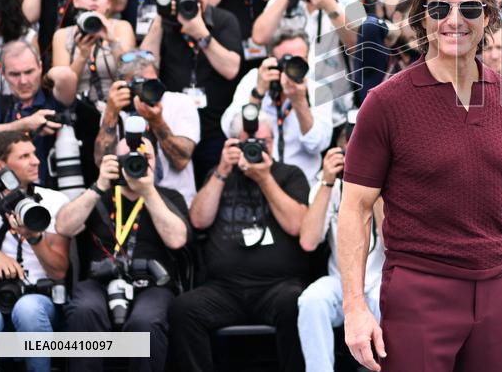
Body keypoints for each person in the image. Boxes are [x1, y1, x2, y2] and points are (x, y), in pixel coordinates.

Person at [337, 0, 502, 372]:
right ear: (422, 18)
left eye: (469, 8)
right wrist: (354, 306)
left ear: (489, 17)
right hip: (419, 289)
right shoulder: (385, 103)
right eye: (439, 8)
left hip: (500, 289)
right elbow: (355, 208)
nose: (454, 19)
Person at [170, 110, 309, 372]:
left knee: (297, 304)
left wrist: (264, 178)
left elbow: (297, 226)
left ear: (273, 142)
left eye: (263, 142)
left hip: (278, 287)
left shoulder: (289, 174)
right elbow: (198, 220)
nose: (256, 148)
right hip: (225, 289)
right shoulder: (220, 174)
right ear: (234, 143)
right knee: (183, 309)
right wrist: (222, 171)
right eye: (249, 143)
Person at [57, 135, 189, 372]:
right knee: (85, 310)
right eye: (128, 158)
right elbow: (64, 227)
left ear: (156, 162)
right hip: (100, 281)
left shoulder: (168, 197)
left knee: (145, 322)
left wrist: (148, 192)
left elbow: (178, 240)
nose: (136, 163)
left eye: (145, 157)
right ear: (115, 161)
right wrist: (98, 186)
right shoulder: (101, 195)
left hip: (153, 282)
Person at [140, 0, 242, 182]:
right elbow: (145, 66)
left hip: (215, 125)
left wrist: (202, 35)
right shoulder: (165, 24)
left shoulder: (224, 20)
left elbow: (231, 69)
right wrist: (161, 16)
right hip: (175, 127)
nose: (194, 0)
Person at [297, 145, 385, 372]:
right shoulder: (328, 186)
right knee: (311, 300)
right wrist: (327, 182)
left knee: (389, 302)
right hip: (341, 280)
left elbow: (391, 241)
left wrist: (372, 187)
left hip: (381, 280)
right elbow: (308, 241)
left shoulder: (390, 183)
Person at [0, 131, 69, 372]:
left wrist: (35, 237)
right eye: (25, 156)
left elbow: (59, 270)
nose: (36, 161)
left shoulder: (54, 201)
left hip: (37, 295)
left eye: (35, 154)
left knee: (29, 310)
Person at [220, 29, 333, 189]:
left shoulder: (320, 89)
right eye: (286, 61)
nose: (291, 68)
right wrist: (258, 93)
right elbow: (230, 130)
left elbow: (317, 144)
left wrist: (299, 101)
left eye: (298, 61)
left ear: (307, 60)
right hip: (256, 180)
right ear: (272, 60)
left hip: (303, 184)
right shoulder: (255, 78)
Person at [93, 50, 200, 205]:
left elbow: (181, 160)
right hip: (127, 201)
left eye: (151, 82)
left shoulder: (180, 103)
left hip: (175, 200)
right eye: (139, 84)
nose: (146, 90)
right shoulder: (114, 109)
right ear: (124, 85)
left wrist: (156, 121)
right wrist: (110, 113)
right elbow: (102, 163)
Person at [0, 41, 77, 181]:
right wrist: (24, 124)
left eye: (29, 72)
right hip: (10, 192)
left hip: (55, 190)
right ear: (4, 75)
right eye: (14, 74)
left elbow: (65, 75)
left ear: (40, 67)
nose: (23, 81)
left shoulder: (53, 98)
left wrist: (46, 80)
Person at [50, 0, 136, 108]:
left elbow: (131, 74)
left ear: (108, 2)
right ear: (76, 0)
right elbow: (62, 88)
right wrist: (82, 56)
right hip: (77, 109)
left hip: (116, 105)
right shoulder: (62, 35)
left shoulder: (121, 27)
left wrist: (112, 41)